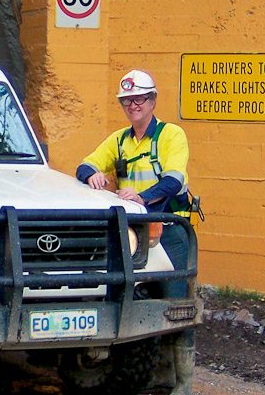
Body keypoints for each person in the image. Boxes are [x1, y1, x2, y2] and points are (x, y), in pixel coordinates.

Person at [75, 69, 195, 395]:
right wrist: (91, 176)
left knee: (177, 302)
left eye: (139, 99)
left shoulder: (171, 136)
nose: (133, 105)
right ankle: (160, 373)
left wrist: (142, 197)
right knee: (141, 297)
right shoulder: (120, 140)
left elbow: (174, 180)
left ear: (153, 101)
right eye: (127, 100)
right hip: (133, 235)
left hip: (168, 228)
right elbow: (86, 163)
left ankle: (183, 381)